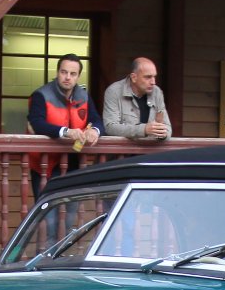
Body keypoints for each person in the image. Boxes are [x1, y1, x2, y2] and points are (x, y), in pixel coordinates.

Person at [27, 53, 101, 196]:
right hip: (45, 164)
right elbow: (37, 124)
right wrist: (67, 132)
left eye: (73, 74)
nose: (67, 77)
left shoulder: (84, 96)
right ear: (57, 72)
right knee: (47, 208)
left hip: (74, 161)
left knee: (72, 208)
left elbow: (96, 120)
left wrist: (94, 130)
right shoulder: (40, 95)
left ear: (78, 76)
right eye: (64, 72)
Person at [102, 57, 171, 142]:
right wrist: (143, 129)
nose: (153, 82)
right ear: (134, 77)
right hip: (123, 149)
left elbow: (167, 128)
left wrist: (162, 134)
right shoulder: (114, 91)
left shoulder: (157, 92)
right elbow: (110, 127)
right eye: (148, 77)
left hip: (150, 148)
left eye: (154, 77)